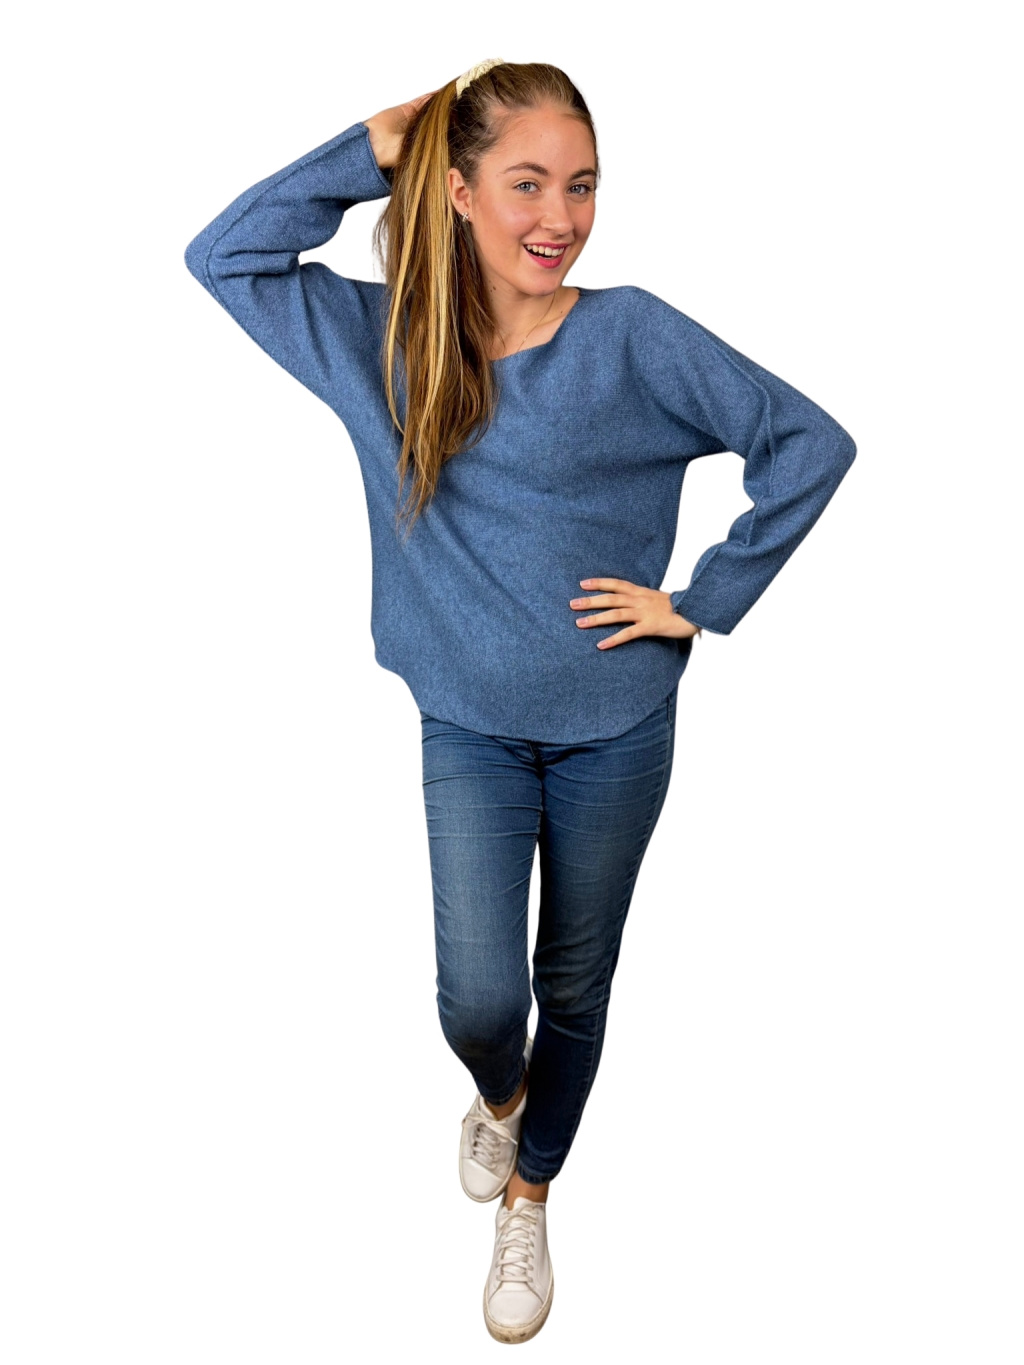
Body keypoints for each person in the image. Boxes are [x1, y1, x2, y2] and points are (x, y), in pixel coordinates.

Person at [184, 58, 856, 1344]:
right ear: (457, 192)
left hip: (617, 728)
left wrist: (702, 599)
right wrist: (363, 150)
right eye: (527, 184)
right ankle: (501, 1100)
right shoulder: (385, 343)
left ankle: (531, 1193)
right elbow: (225, 258)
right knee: (482, 1002)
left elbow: (808, 444)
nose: (560, 217)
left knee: (575, 984)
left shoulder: (634, 336)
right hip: (468, 721)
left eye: (582, 186)